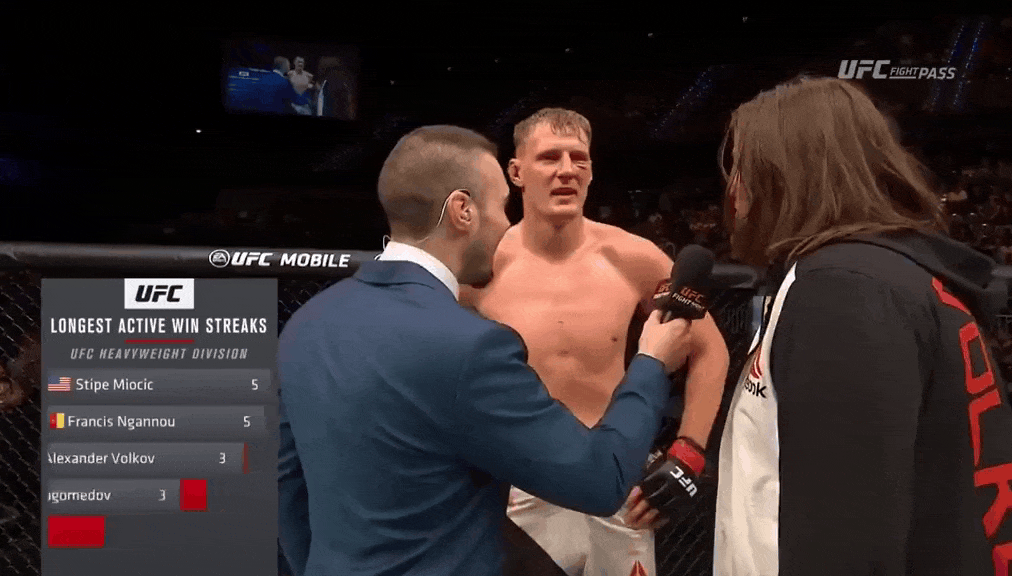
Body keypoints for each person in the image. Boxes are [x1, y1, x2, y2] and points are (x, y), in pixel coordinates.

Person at [277, 125, 696, 576]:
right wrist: (651, 364)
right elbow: (599, 482)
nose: (503, 225)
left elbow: (286, 487)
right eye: (499, 206)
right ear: (463, 211)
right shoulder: (471, 345)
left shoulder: (307, 324)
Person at [713, 76, 1012, 575]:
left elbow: (847, 539)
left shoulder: (842, 289)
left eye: (742, 166)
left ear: (781, 176)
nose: (733, 190)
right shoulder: (892, 274)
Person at [462, 108, 729, 576]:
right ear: (516, 172)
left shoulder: (633, 257)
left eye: (578, 158)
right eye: (550, 157)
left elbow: (710, 349)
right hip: (518, 482)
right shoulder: (481, 266)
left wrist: (686, 456)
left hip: (617, 476)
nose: (567, 170)